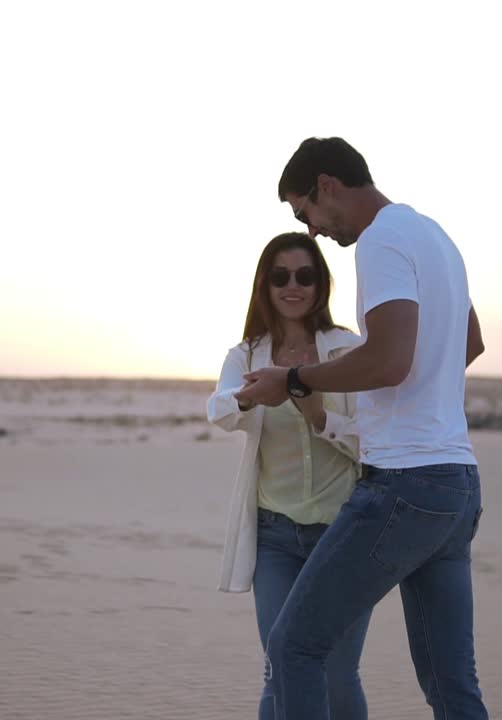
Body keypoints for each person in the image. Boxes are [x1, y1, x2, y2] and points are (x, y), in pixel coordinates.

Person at [235, 137, 488, 720]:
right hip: (456, 484)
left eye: (306, 213)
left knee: (295, 646)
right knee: (452, 685)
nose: (315, 230)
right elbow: (468, 344)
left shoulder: (380, 241)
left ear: (327, 186)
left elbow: (388, 360)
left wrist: (293, 379)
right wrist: (412, 400)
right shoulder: (436, 236)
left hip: (403, 485)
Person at [207, 231, 372, 720]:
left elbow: (374, 437)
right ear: (265, 285)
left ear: (321, 283)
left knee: (339, 674)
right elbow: (219, 409)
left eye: (305, 275)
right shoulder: (247, 356)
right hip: (275, 536)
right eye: (280, 276)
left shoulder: (346, 351)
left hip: (343, 533)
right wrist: (250, 395)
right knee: (281, 667)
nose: (293, 286)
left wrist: (321, 418)